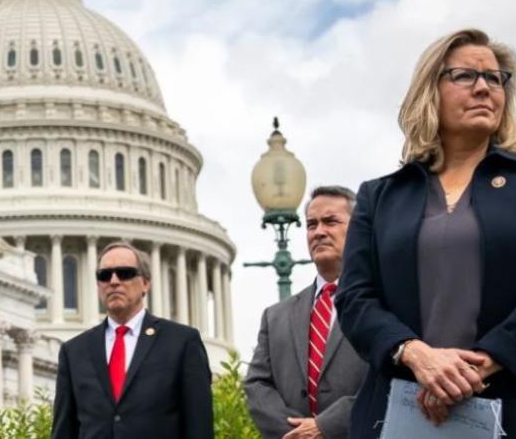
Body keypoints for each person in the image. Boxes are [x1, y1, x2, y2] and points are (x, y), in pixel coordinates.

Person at [335, 28, 516, 437]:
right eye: (466, 75)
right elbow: (355, 298)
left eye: (495, 78)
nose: (484, 88)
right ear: (430, 90)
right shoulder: (379, 197)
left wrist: (471, 369)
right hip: (402, 413)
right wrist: (417, 356)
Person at [51, 241, 213, 439]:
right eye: (104, 275)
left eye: (124, 273)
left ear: (145, 283)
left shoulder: (181, 343)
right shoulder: (74, 352)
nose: (114, 281)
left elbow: (199, 427)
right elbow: (64, 430)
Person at [245, 186, 366, 439]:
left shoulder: (383, 302)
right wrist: (298, 433)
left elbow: (387, 379)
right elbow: (257, 385)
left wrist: (326, 426)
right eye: (311, 225)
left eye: (330, 221)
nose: (319, 232)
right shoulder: (275, 317)